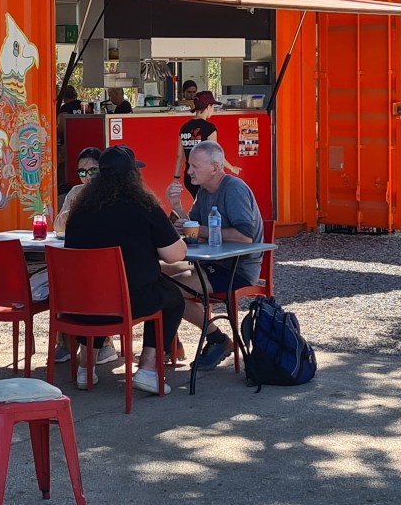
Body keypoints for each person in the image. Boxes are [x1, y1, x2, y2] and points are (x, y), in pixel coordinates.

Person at [65, 146, 186, 395]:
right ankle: (148, 369)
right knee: (172, 297)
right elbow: (174, 255)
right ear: (133, 175)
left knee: (99, 292)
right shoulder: (144, 206)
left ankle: (85, 369)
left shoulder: (79, 210)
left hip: (82, 302)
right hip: (130, 301)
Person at [164, 140, 264, 371]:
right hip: (212, 264)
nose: (189, 172)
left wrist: (200, 231)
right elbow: (193, 228)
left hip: (236, 270)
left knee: (169, 291)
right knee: (157, 274)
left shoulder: (234, 188)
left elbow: (245, 237)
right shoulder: (204, 191)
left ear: (215, 168)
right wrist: (176, 205)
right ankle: (170, 344)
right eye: (189, 166)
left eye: (195, 166)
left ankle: (217, 339)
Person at [52, 147, 117, 366]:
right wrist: (68, 216)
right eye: (82, 172)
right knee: (61, 281)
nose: (87, 177)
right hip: (78, 260)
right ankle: (65, 343)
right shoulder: (75, 193)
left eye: (93, 171)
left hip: (105, 262)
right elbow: (58, 227)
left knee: (95, 282)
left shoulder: (112, 192)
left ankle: (105, 343)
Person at [172, 91, 241, 199]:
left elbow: (179, 156)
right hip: (205, 177)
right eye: (213, 107)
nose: (213, 110)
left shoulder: (184, 128)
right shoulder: (209, 129)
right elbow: (216, 155)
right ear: (208, 106)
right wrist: (232, 168)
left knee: (199, 204)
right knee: (209, 205)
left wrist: (176, 179)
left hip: (190, 177)